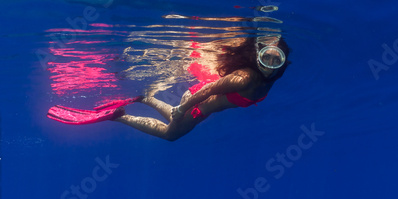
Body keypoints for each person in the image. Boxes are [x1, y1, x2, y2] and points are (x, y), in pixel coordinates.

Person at [113, 36, 290, 141]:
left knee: (175, 119)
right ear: (258, 57)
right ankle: (120, 117)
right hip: (197, 104)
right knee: (170, 135)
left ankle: (145, 99)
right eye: (267, 58)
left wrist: (181, 111)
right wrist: (182, 109)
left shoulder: (270, 77)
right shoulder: (244, 79)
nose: (271, 65)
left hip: (199, 107)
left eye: (277, 60)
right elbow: (209, 90)